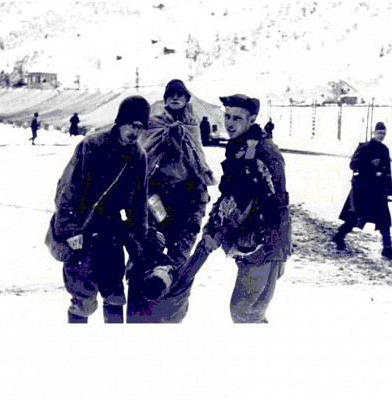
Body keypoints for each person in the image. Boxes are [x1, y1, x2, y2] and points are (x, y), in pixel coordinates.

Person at [51, 96, 166, 323]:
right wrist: (70, 229)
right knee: (83, 299)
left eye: (140, 127)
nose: (135, 132)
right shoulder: (92, 145)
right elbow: (67, 190)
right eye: (131, 125)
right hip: (83, 231)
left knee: (114, 295)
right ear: (120, 121)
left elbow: (139, 203)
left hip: (112, 233)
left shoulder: (138, 156)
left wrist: (143, 236)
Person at [191, 94, 291, 323]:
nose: (229, 123)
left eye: (237, 117)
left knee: (245, 311)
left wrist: (271, 245)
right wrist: (215, 226)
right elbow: (232, 194)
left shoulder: (266, 151)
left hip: (265, 243)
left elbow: (277, 203)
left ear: (252, 118)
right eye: (227, 116)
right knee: (248, 312)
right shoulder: (239, 147)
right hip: (249, 240)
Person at [127, 79, 216, 323]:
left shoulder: (191, 125)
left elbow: (197, 156)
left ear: (187, 99)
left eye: (180, 95)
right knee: (147, 251)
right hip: (156, 196)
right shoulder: (154, 122)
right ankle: (139, 312)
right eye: (170, 95)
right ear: (165, 99)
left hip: (185, 199)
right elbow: (145, 151)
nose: (175, 99)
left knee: (178, 260)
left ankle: (170, 313)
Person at [332, 122, 392, 261]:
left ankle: (387, 249)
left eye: (383, 133)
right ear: (374, 133)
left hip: (378, 191)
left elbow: (387, 171)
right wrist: (372, 168)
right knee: (353, 218)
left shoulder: (384, 149)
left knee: (384, 220)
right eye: (379, 133)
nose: (381, 136)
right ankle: (339, 236)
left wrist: (389, 190)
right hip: (363, 190)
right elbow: (353, 164)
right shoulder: (364, 147)